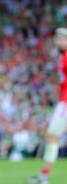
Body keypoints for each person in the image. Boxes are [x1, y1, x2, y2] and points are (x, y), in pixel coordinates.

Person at [26, 27, 67, 184]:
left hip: (66, 102)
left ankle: (43, 177)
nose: (58, 41)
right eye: (57, 38)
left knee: (51, 136)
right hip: (63, 101)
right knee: (52, 136)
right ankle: (43, 176)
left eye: (62, 39)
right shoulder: (62, 57)